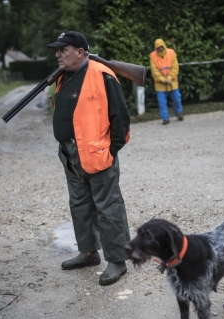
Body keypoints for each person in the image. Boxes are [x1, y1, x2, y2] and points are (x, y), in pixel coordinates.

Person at [47, 31, 131, 285]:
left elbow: (121, 119)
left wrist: (110, 149)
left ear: (81, 52)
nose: (57, 54)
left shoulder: (102, 74)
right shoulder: (64, 77)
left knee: (108, 207)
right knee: (80, 205)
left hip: (96, 154)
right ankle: (88, 252)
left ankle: (117, 261)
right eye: (57, 50)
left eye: (63, 49)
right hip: (70, 154)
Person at [149, 38, 184, 125]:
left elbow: (175, 67)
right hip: (160, 84)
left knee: (177, 98)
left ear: (164, 46)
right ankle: (165, 118)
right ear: (155, 48)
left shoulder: (171, 53)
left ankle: (178, 113)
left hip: (172, 82)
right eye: (158, 48)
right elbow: (154, 71)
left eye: (161, 47)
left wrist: (169, 78)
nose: (160, 49)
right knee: (162, 102)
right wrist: (163, 80)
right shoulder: (152, 56)